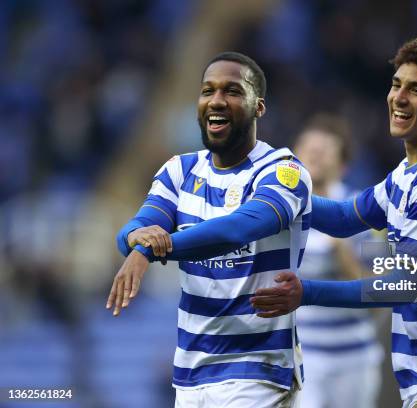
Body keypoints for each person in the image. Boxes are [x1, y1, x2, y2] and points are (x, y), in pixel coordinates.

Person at [251, 35, 417, 408]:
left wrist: (306, 292)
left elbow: (403, 285)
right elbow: (345, 216)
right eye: (396, 84)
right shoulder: (409, 171)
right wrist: (280, 192)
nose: (399, 98)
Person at [107, 52, 312, 408]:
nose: (216, 100)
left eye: (232, 91)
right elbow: (139, 226)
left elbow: (239, 229)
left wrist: (155, 248)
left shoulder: (283, 170)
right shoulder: (179, 170)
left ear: (258, 107)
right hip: (191, 374)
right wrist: (135, 241)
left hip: (257, 369)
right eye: (208, 91)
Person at [292, 114, 383, 408]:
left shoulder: (363, 214)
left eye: (324, 150)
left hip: (354, 356)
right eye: (309, 149)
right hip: (302, 357)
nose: (315, 156)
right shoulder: (277, 214)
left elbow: (382, 293)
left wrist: (342, 251)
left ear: (342, 166)